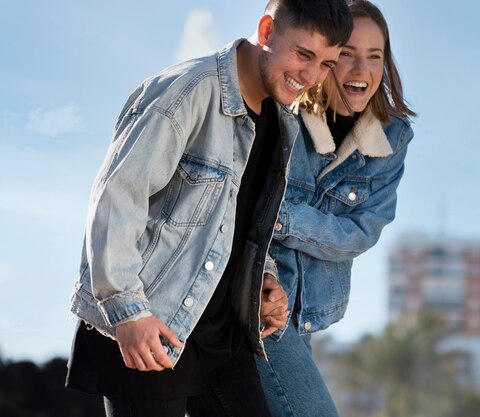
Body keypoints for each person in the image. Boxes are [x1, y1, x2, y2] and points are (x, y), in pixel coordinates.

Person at [65, 1, 353, 416]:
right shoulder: (186, 92)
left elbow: (236, 220)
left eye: (326, 63)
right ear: (267, 30)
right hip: (153, 323)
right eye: (303, 54)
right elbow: (116, 199)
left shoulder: (281, 121)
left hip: (222, 337)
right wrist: (127, 312)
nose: (311, 76)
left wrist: (264, 280)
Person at [255, 1, 416, 416]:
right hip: (257, 301)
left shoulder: (391, 141)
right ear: (327, 58)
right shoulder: (282, 113)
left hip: (304, 315)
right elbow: (246, 207)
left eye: (375, 57)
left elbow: (361, 232)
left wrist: (283, 217)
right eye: (347, 55)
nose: (362, 70)